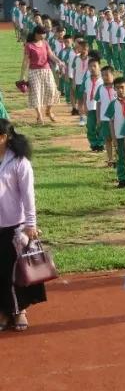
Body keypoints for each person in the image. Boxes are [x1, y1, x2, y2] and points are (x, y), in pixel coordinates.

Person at [0, 120, 44, 332]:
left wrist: (30, 224)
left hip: (14, 225)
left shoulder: (19, 162)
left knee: (15, 272)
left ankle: (20, 311)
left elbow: (28, 195)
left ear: (5, 137)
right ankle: (3, 311)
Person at [20, 25, 62, 125]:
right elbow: (25, 61)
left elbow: (51, 55)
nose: (44, 35)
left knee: (52, 91)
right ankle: (39, 116)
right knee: (36, 94)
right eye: (42, 34)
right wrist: (22, 76)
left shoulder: (45, 43)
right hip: (34, 72)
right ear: (36, 34)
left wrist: (59, 61)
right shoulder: (29, 45)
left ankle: (48, 111)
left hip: (46, 71)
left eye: (44, 33)